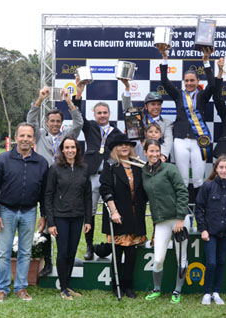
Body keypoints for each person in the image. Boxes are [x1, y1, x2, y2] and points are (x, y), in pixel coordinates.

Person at [0, 123, 49, 303]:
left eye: (29, 136)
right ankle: (2, 289)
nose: (25, 139)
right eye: (22, 136)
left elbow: (45, 193)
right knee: (4, 252)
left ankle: (21, 288)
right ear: (16, 138)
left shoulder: (41, 163)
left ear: (33, 139)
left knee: (25, 252)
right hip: (6, 211)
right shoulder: (3, 159)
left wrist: (43, 215)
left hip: (30, 212)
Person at [27, 86, 83, 276]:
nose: (54, 124)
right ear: (46, 122)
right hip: (43, 182)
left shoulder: (67, 136)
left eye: (58, 121)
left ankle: (64, 257)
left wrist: (69, 101)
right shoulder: (40, 134)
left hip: (63, 185)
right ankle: (48, 262)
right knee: (45, 222)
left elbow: (79, 123)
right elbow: (30, 120)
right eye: (51, 121)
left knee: (58, 223)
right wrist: (40, 99)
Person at [157, 44, 215, 201]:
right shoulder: (178, 95)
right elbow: (164, 80)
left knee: (197, 179)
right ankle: (184, 214)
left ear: (197, 81)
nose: (189, 83)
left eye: (192, 80)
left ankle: (199, 212)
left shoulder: (203, 96)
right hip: (180, 139)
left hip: (199, 140)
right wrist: (164, 57)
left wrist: (206, 61)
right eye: (186, 81)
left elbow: (213, 84)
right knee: (182, 179)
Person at [75, 76, 123, 260]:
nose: (102, 115)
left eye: (105, 112)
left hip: (111, 178)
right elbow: (78, 113)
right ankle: (88, 247)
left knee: (113, 211)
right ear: (94, 115)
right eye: (99, 113)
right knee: (90, 212)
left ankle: (113, 246)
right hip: (92, 176)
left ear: (109, 114)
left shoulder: (117, 133)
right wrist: (79, 92)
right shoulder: (90, 128)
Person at [99, 134, 147, 299]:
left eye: (127, 145)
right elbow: (105, 189)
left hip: (135, 215)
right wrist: (114, 211)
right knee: (118, 253)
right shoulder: (110, 165)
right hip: (118, 215)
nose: (124, 147)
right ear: (115, 148)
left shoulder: (138, 165)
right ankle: (117, 286)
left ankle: (129, 286)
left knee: (132, 254)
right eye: (120, 145)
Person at [44, 136, 92, 300]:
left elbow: (87, 196)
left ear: (77, 150)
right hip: (60, 217)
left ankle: (68, 285)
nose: (70, 150)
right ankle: (63, 288)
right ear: (62, 150)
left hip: (78, 217)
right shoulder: (55, 168)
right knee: (63, 252)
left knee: (72, 252)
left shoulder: (84, 168)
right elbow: (48, 196)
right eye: (67, 147)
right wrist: (51, 222)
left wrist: (88, 220)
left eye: (73, 147)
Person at [142, 139, 189, 304]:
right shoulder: (144, 172)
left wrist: (180, 219)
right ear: (145, 152)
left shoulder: (170, 168)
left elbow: (183, 192)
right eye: (151, 151)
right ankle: (156, 289)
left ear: (161, 152)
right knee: (158, 259)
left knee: (181, 258)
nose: (154, 154)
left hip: (179, 220)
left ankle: (177, 290)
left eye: (157, 151)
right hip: (161, 222)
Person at [195, 155, 226, 305]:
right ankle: (207, 293)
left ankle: (216, 292)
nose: (224, 170)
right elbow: (199, 209)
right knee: (211, 263)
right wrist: (203, 229)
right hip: (210, 232)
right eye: (221, 167)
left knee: (221, 262)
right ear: (215, 169)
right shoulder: (207, 186)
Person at [121, 79, 173, 161]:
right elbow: (128, 110)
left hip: (158, 156)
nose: (156, 107)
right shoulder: (139, 119)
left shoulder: (167, 123)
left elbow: (168, 141)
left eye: (158, 104)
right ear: (146, 106)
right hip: (139, 156)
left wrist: (161, 154)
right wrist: (127, 88)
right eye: (153, 104)